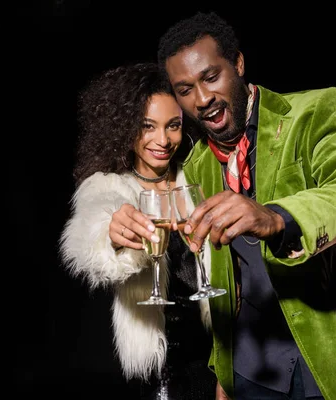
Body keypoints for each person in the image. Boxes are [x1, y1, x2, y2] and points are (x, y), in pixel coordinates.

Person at [156, 11, 336, 400]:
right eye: (185, 89)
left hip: (329, 359)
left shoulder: (314, 111)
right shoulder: (196, 165)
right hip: (250, 369)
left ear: (237, 64)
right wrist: (223, 375)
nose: (202, 99)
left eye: (210, 77)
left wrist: (277, 217)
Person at [58, 62, 218, 399]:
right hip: (160, 365)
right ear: (125, 128)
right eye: (148, 126)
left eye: (173, 126)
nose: (162, 140)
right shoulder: (108, 186)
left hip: (219, 353)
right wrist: (112, 232)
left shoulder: (199, 174)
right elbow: (94, 228)